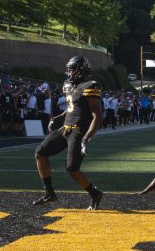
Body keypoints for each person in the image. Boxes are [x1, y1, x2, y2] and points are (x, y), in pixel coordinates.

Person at [33, 55, 104, 209]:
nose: (70, 72)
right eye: (69, 69)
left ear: (82, 70)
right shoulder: (69, 85)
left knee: (72, 169)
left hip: (78, 131)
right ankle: (49, 193)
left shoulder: (91, 85)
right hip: (65, 128)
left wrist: (86, 138)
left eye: (73, 69)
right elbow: (73, 107)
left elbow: (97, 116)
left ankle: (95, 193)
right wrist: (59, 117)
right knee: (40, 152)